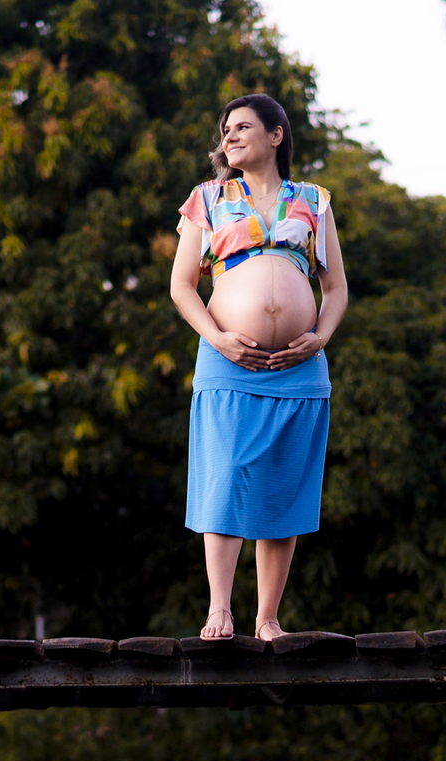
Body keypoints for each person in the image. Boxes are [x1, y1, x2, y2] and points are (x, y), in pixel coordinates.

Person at [170, 94, 348, 642]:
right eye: (226, 130)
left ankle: (267, 617)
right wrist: (220, 339)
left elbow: (336, 289)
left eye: (243, 126)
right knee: (223, 476)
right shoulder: (207, 198)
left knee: (282, 487)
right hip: (228, 360)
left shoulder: (312, 200)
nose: (230, 137)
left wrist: (318, 338)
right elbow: (182, 287)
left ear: (276, 135)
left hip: (299, 366)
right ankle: (219, 609)